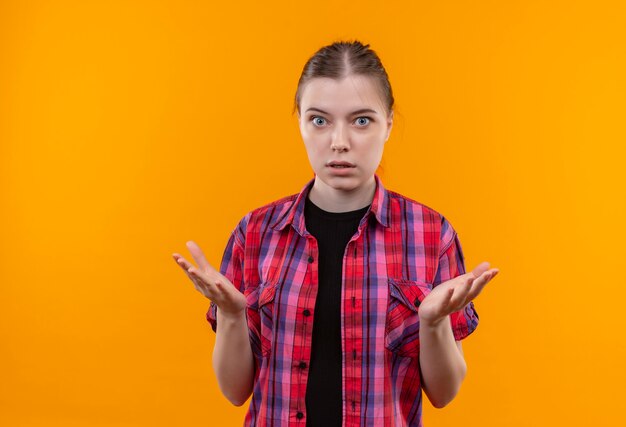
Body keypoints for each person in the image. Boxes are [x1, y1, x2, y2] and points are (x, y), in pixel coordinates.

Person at [172, 40, 499, 427]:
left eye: (361, 120)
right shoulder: (256, 233)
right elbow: (234, 391)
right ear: (300, 123)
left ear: (389, 123)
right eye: (319, 120)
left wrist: (432, 324)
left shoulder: (431, 233)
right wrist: (231, 313)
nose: (339, 141)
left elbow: (444, 394)